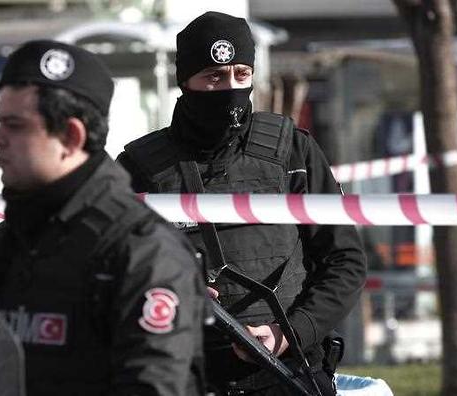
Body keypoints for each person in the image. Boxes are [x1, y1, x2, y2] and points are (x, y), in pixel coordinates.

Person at [0, 40, 206, 396]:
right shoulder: (10, 242)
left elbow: (154, 385)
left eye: (15, 126)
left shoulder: (142, 253)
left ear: (70, 137)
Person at [116, 12, 367, 396]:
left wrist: (290, 333)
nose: (230, 88)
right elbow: (112, 272)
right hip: (185, 372)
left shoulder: (294, 152)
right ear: (185, 81)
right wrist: (170, 289)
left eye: (241, 75)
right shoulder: (140, 168)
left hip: (290, 371)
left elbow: (344, 261)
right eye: (214, 77)